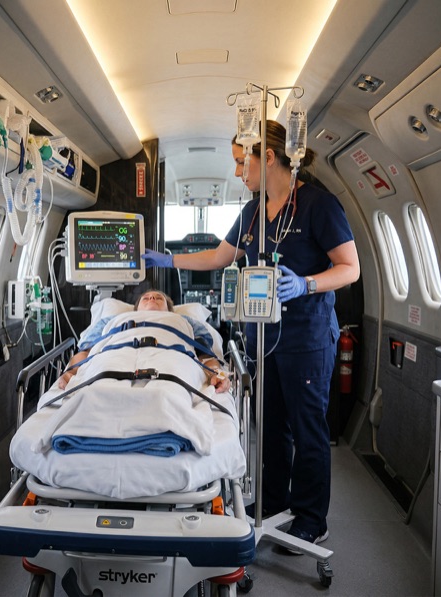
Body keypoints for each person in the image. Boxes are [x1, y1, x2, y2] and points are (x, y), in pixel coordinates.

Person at [144, 120, 360, 550]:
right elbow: (218, 257)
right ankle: (276, 505)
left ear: (272, 159)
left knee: (307, 429)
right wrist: (169, 261)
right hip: (265, 337)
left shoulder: (318, 205)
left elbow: (350, 268)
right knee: (271, 427)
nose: (240, 172)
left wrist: (306, 284)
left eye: (244, 163)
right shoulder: (252, 212)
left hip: (308, 336)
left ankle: (312, 519)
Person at [58, 290, 230, 393]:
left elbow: (205, 357)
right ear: (136, 309)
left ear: (170, 310)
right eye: (146, 298)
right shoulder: (113, 320)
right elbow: (86, 352)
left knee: (172, 391)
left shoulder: (184, 320)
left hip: (171, 359)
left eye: (158, 298)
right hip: (114, 357)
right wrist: (71, 372)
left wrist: (218, 373)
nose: (152, 299)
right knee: (98, 388)